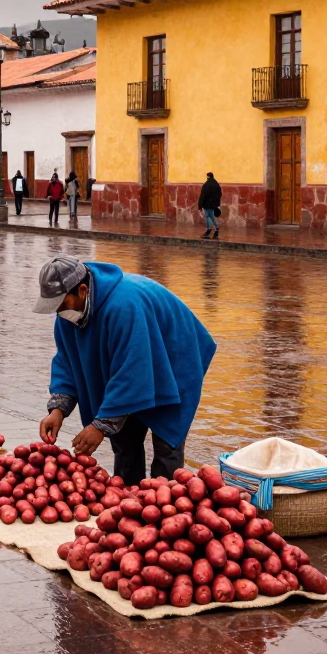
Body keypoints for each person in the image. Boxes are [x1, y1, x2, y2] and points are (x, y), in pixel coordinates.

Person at [34, 255, 215, 486]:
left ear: (81, 290)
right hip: (131, 361)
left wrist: (100, 425)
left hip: (173, 356)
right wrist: (58, 409)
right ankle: (128, 497)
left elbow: (132, 373)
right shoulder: (67, 316)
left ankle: (166, 506)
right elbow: (68, 362)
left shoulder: (123, 306)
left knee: (166, 444)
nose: (58, 312)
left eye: (62, 304)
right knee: (124, 440)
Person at [198, 171, 222, 239]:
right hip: (214, 204)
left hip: (207, 204)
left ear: (207, 177)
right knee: (209, 216)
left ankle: (211, 229)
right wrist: (217, 202)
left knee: (209, 216)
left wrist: (200, 205)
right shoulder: (216, 184)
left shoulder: (206, 185)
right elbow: (220, 194)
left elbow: (203, 195)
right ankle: (211, 229)